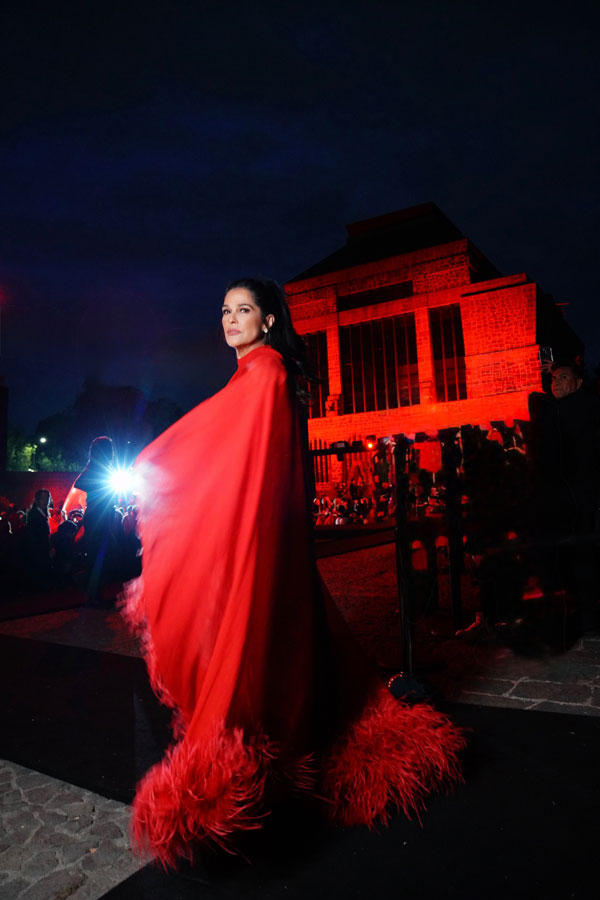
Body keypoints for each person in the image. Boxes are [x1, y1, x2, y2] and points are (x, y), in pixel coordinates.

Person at [121, 278, 464, 870]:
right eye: (224, 310)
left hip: (266, 535)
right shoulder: (255, 373)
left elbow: (220, 445)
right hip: (271, 533)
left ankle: (246, 778)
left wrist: (157, 463)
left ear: (269, 319)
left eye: (244, 310)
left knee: (257, 644)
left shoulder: (267, 372)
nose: (230, 320)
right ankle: (273, 755)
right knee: (285, 642)